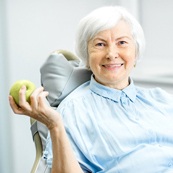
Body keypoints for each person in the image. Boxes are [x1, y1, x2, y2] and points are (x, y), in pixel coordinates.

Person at [9, 6, 173, 173]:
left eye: (122, 42)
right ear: (87, 55)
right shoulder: (74, 110)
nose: (111, 53)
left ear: (136, 51)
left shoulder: (161, 100)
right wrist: (54, 125)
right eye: (100, 44)